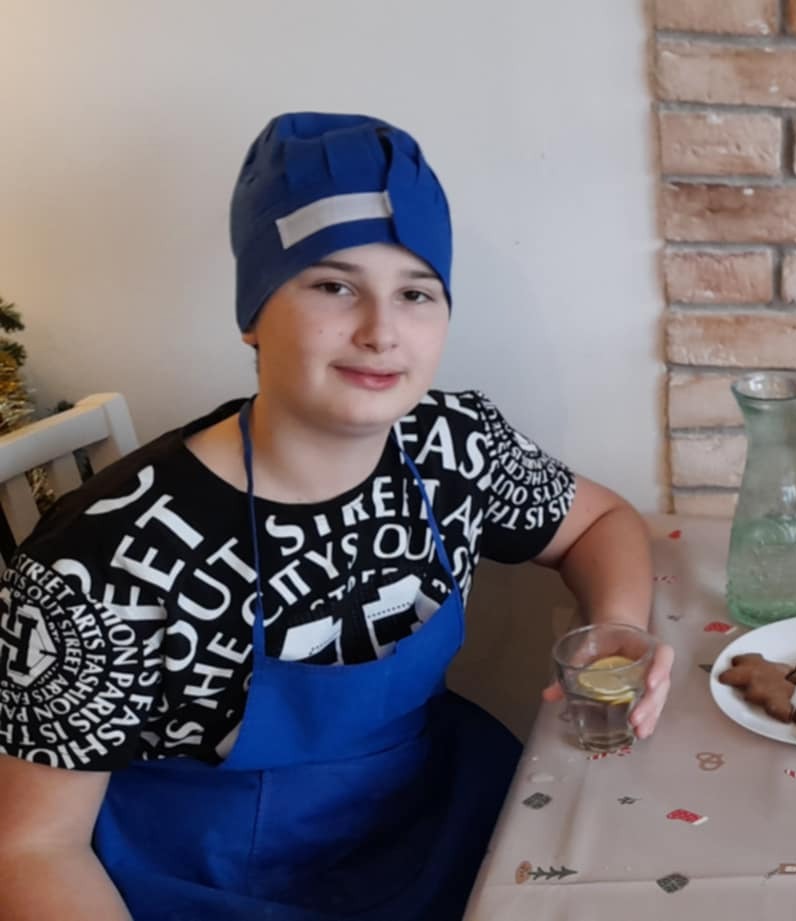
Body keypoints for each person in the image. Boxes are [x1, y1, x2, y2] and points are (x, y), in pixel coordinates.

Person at [0, 112, 672, 921]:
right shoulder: (99, 557)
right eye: (333, 285)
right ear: (253, 312)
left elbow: (600, 522)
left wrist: (618, 626)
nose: (381, 331)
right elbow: (31, 847)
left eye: (415, 292)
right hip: (207, 888)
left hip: (434, 831)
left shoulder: (455, 445)